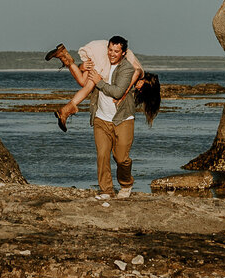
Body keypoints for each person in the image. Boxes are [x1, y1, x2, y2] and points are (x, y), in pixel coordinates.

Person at [44, 36, 161, 198]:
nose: (139, 88)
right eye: (111, 50)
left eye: (116, 51)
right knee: (103, 155)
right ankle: (106, 190)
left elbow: (119, 90)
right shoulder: (137, 71)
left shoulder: (125, 67)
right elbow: (128, 83)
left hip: (122, 120)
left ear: (122, 52)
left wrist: (82, 68)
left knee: (121, 158)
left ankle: (126, 184)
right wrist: (84, 67)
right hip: (101, 118)